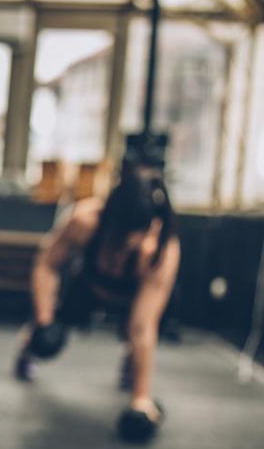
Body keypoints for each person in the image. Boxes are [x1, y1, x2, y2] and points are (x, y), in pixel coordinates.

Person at [16, 162, 180, 427]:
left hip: (132, 296)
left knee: (137, 337)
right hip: (89, 285)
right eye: (122, 235)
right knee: (46, 342)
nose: (128, 243)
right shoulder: (84, 221)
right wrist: (44, 320)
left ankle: (132, 368)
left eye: (136, 234)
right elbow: (46, 265)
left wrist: (141, 399)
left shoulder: (160, 252)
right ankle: (27, 349)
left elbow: (143, 327)